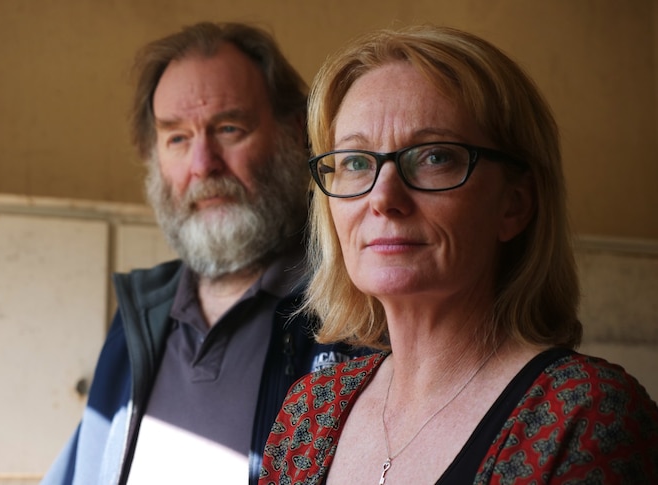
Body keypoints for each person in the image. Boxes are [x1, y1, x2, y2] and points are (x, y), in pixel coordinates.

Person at [259, 24, 658, 484]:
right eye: (355, 162)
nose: (384, 198)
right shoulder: (311, 409)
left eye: (433, 157)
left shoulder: (587, 417)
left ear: (514, 204)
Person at [41, 22, 372, 485]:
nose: (203, 165)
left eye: (229, 128)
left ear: (296, 134)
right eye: (177, 138)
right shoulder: (140, 316)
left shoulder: (357, 311)